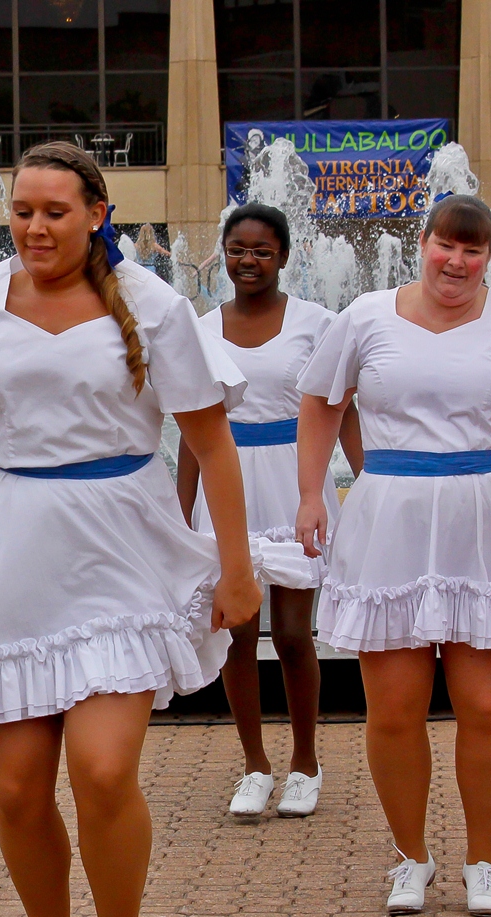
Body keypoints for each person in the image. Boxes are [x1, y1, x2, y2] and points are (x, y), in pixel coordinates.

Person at [0, 142, 308, 917]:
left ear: (95, 213)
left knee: (102, 768)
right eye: (21, 210)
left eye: (54, 211)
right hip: (9, 556)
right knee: (17, 789)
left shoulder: (153, 305)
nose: (34, 226)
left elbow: (210, 443)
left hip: (121, 553)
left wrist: (235, 564)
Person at [295, 194, 491, 917]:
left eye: (472, 249)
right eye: (445, 245)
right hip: (389, 514)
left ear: (489, 256)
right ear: (421, 242)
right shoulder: (365, 316)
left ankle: (482, 859)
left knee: (486, 706)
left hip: (484, 515)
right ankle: (410, 855)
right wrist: (309, 494)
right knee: (394, 710)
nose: (456, 262)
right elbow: (321, 402)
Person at [176, 202, 362, 819]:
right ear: (222, 255)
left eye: (261, 251)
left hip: (293, 482)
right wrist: (180, 512)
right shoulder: (200, 329)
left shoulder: (317, 323)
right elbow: (193, 431)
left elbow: (341, 409)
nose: (248, 261)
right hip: (227, 488)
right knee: (236, 633)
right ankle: (255, 765)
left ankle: (305, 762)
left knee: (290, 633)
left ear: (283, 256)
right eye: (237, 250)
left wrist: (370, 484)